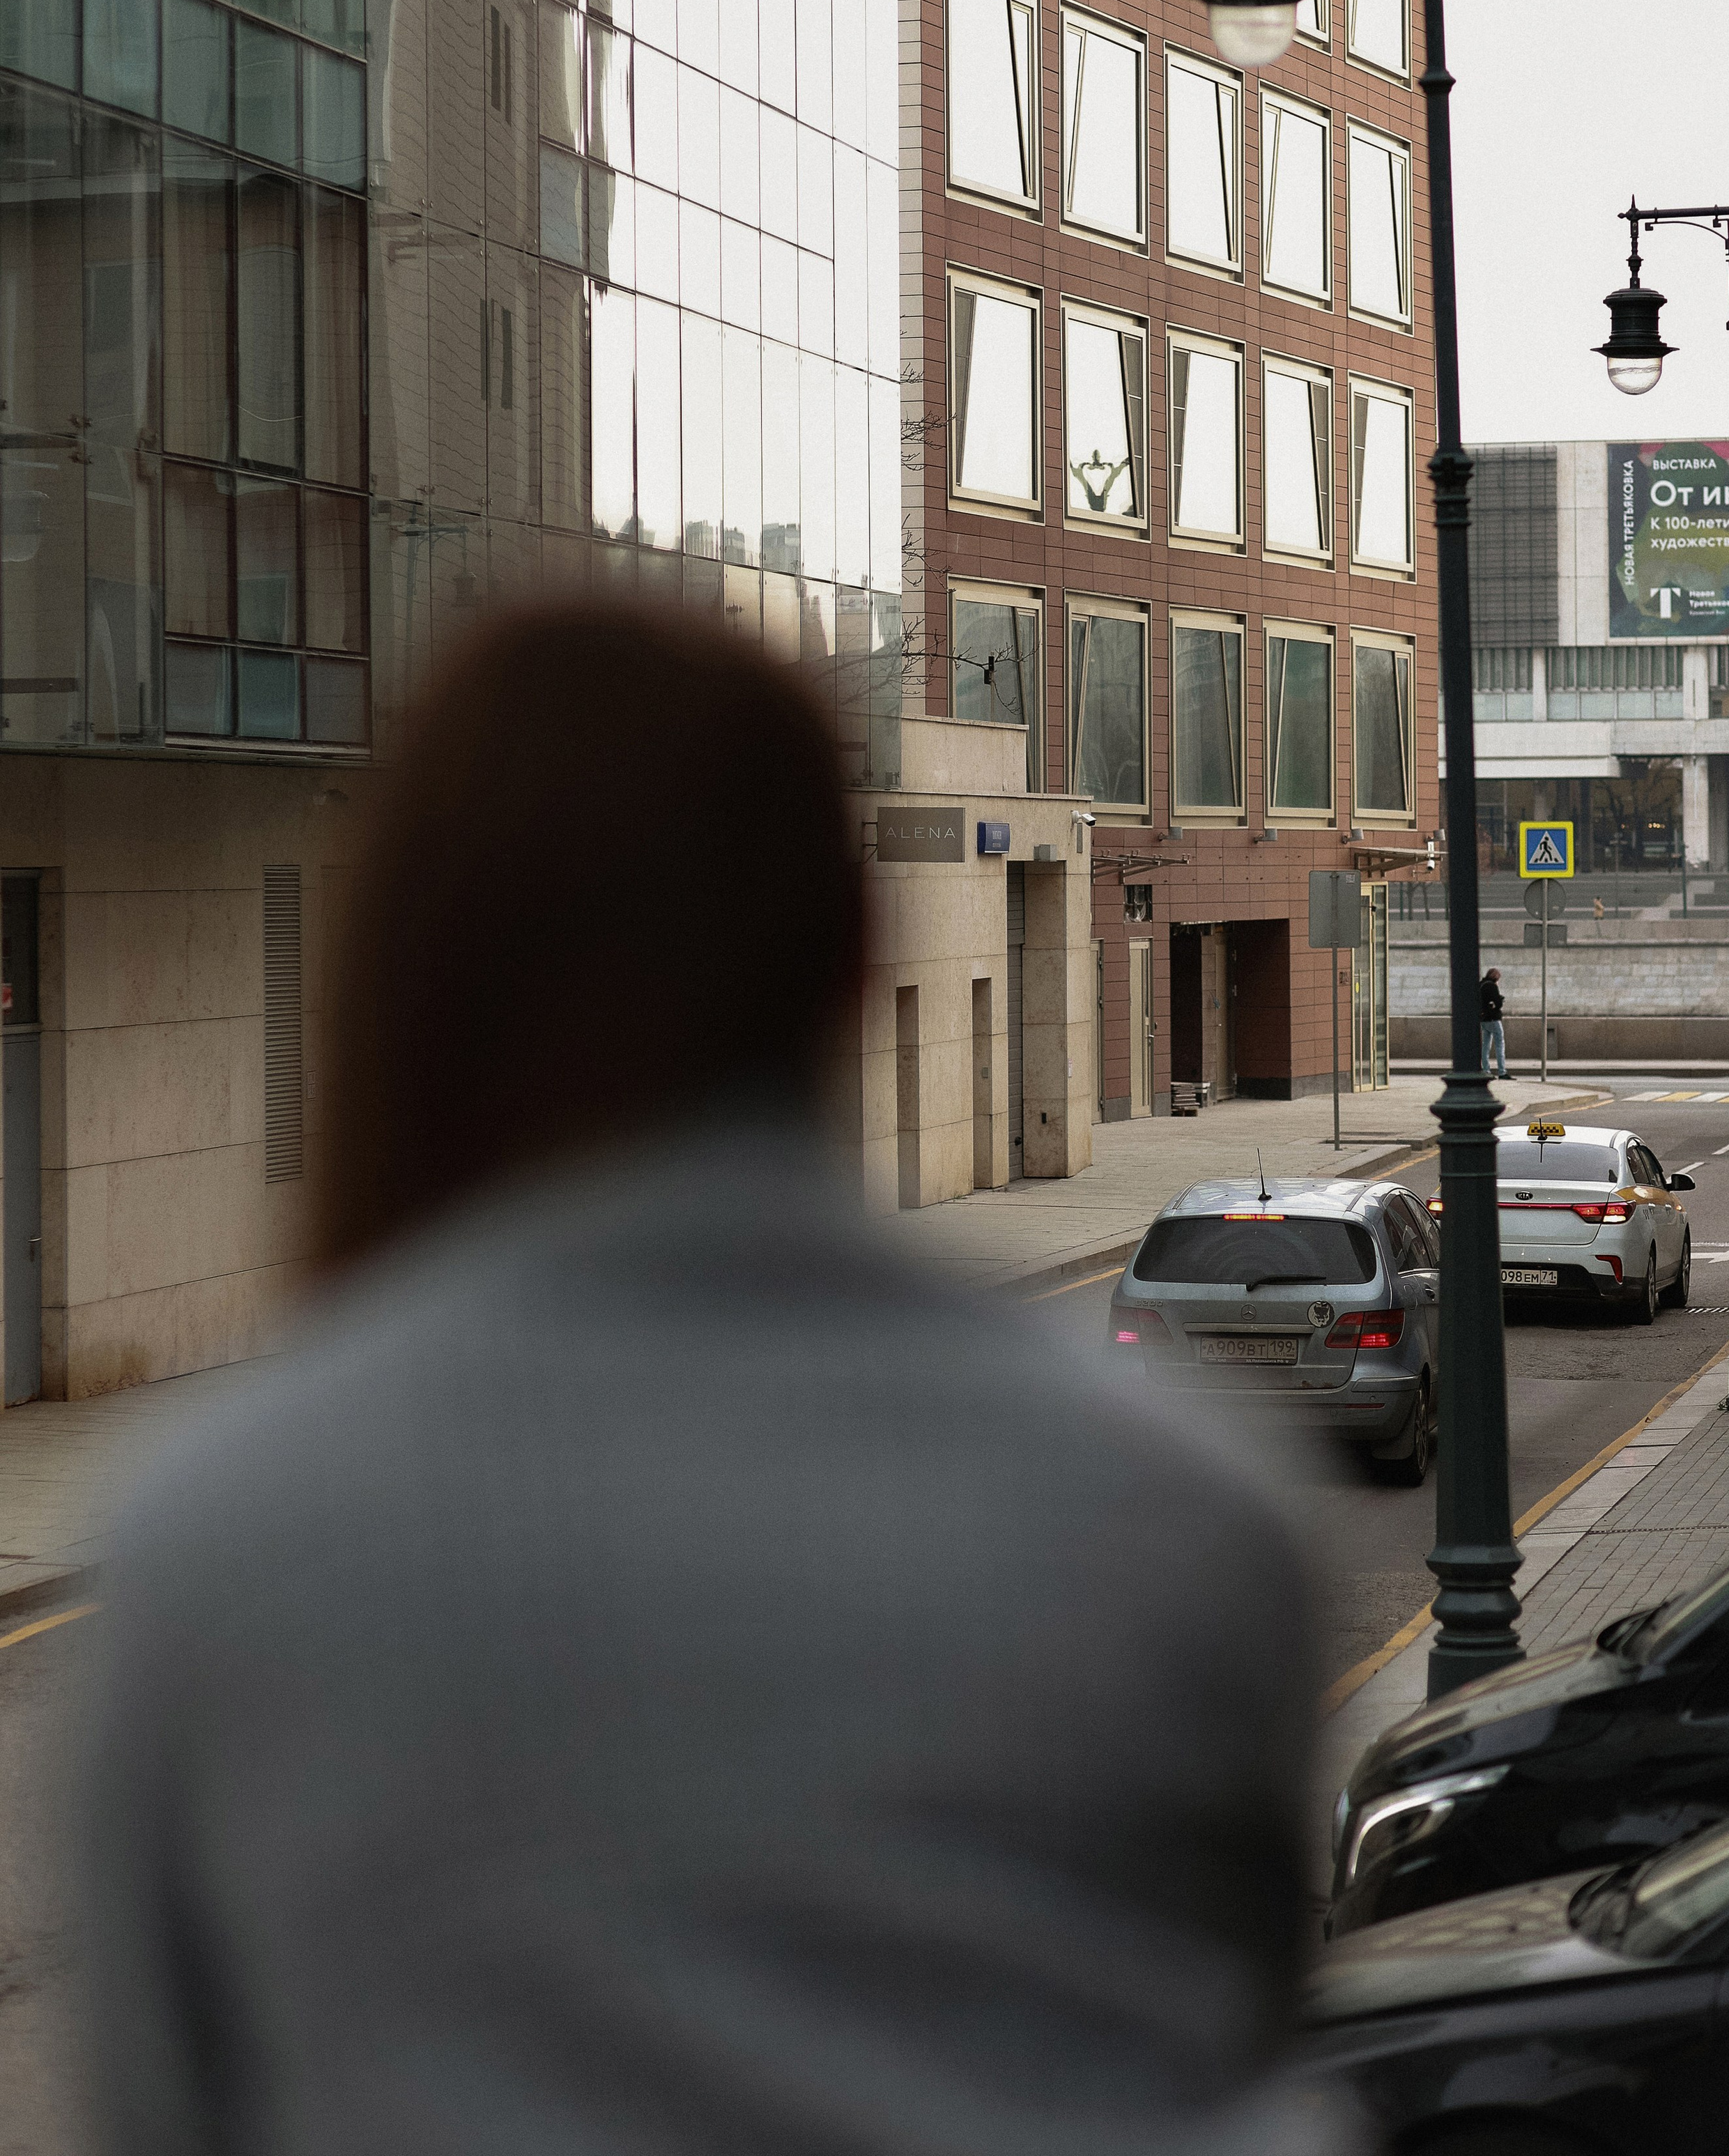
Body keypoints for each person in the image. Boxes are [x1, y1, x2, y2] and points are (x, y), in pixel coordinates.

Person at [79, 603, 1325, 2156]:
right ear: (855, 953)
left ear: (406, 960)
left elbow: (166, 2104)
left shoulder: (231, 1535)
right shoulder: (1176, 1504)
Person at [1480, 964, 1507, 1076]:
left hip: (1484, 1019)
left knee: (1486, 1045)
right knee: (1500, 1044)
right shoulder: (1492, 986)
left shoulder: (1481, 985)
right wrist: (1499, 1000)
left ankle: (1486, 1070)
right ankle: (1502, 1072)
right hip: (1493, 1019)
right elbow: (1498, 1003)